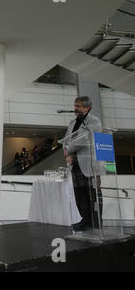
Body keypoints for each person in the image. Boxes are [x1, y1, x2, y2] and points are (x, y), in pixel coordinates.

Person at [62, 96, 104, 232]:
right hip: (75, 164)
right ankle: (84, 220)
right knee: (79, 194)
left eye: (78, 106)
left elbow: (84, 139)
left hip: (90, 165)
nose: (75, 109)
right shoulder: (72, 122)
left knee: (92, 194)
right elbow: (65, 139)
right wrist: (66, 152)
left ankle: (96, 221)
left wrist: (68, 150)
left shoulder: (94, 121)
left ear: (87, 108)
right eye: (75, 106)